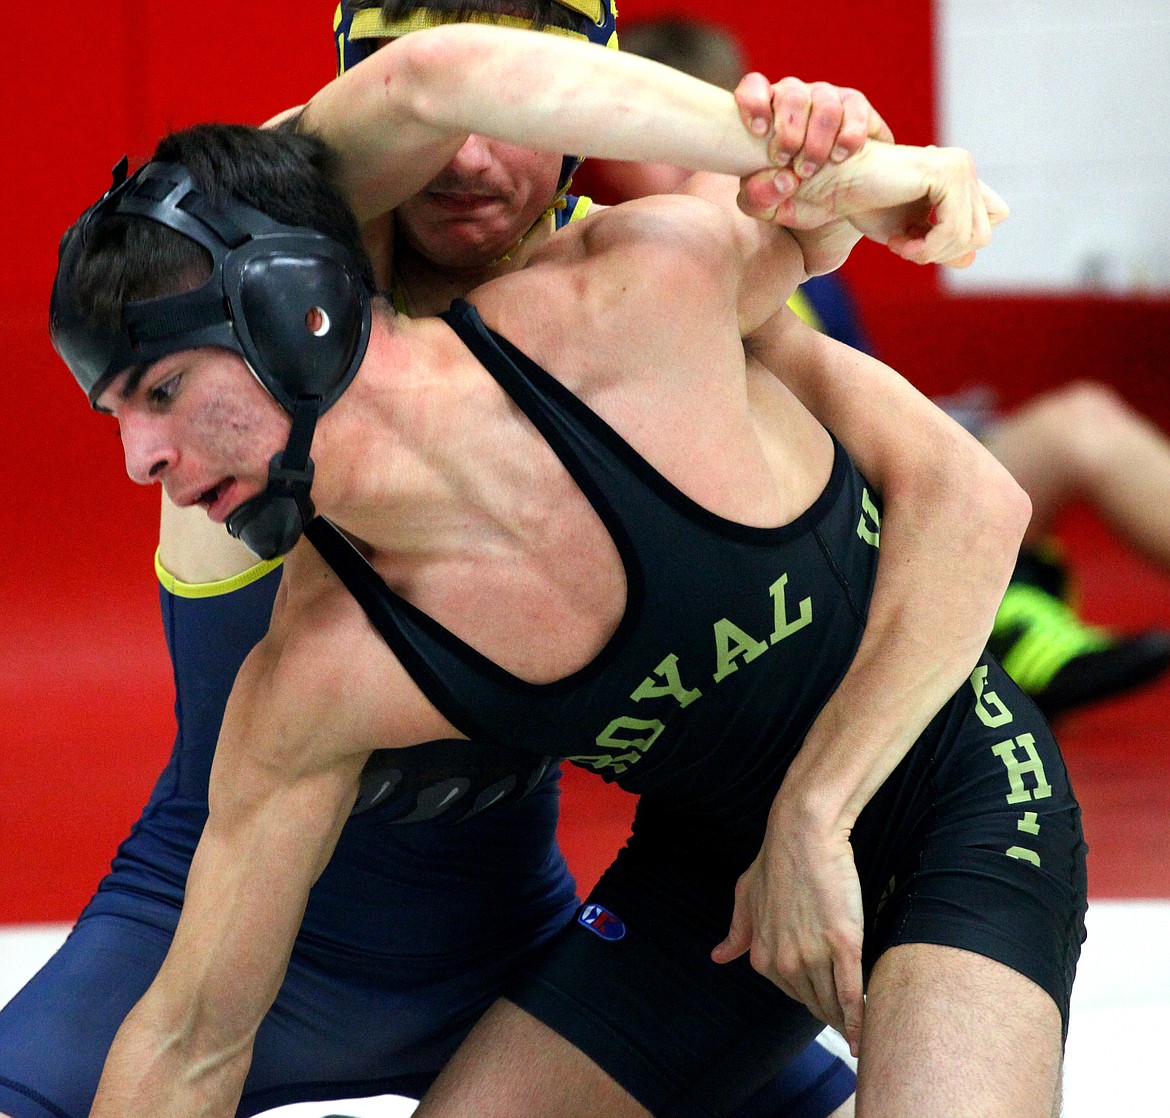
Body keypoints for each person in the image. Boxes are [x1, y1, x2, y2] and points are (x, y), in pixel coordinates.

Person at [50, 26, 1084, 1118]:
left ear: (288, 312)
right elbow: (190, 1041)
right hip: (713, 878)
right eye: (118, 415)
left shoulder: (635, 296)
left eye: (160, 392)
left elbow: (834, 243)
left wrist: (865, 161)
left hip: (953, 793)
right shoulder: (320, 670)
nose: (140, 461)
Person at [587, 14, 1170, 720]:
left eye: (715, 136)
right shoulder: (599, 262)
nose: (698, 162)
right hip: (775, 541)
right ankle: (1005, 620)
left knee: (1082, 423)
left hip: (875, 496)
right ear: (610, 144)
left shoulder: (798, 245)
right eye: (665, 138)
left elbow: (867, 396)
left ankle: (1003, 613)